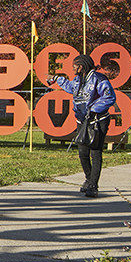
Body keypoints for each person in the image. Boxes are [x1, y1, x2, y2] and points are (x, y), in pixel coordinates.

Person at [46, 53, 116, 196]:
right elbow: (70, 87)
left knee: (95, 152)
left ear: (81, 67)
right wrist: (56, 79)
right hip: (82, 120)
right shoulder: (78, 80)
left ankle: (93, 186)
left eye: (74, 67)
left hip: (98, 121)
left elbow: (109, 97)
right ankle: (88, 179)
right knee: (82, 152)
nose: (72, 70)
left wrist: (93, 110)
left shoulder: (99, 79)